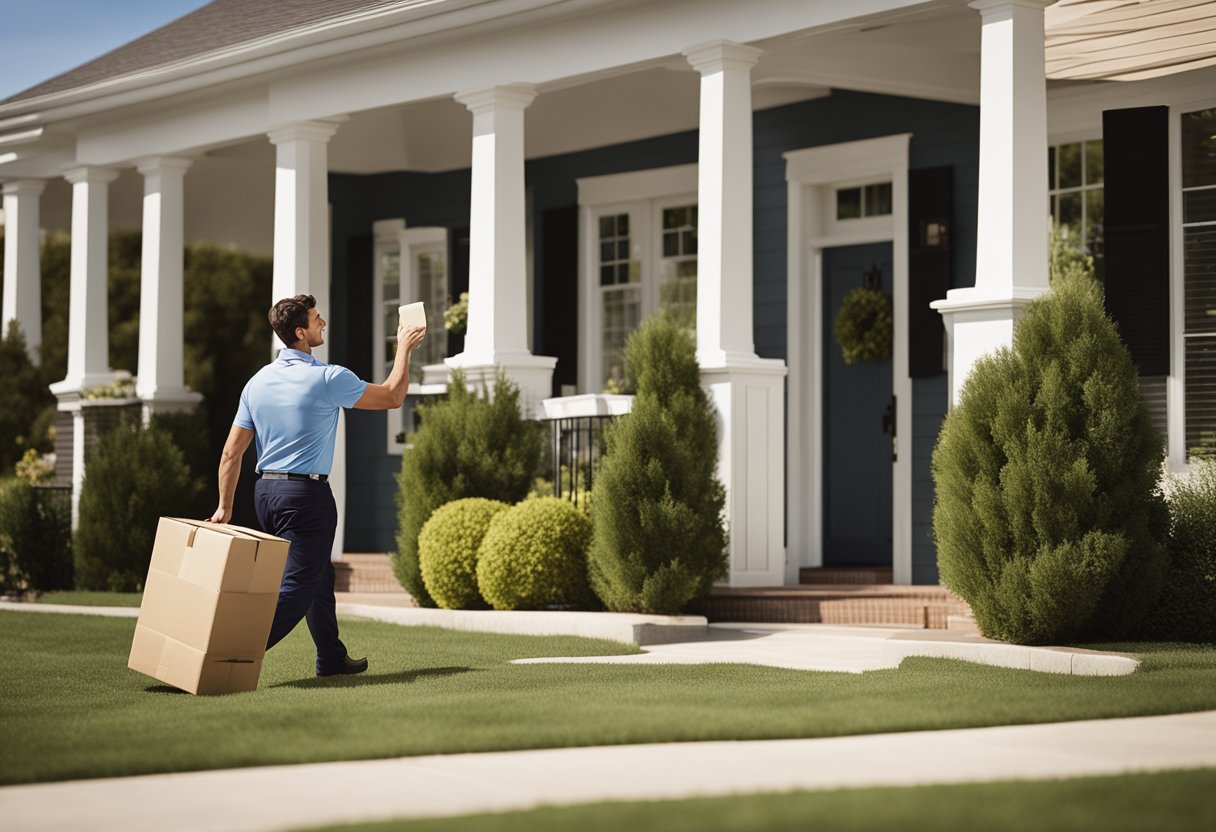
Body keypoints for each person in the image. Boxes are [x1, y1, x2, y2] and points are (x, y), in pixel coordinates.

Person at [208, 294, 425, 677]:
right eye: (316, 319)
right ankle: (222, 655)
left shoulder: (256, 383)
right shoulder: (327, 378)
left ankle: (330, 657)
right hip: (306, 497)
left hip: (265, 495)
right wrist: (404, 348)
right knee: (299, 586)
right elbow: (392, 396)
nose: (322, 323)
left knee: (318, 573)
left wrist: (225, 506)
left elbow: (230, 454)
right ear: (300, 333)